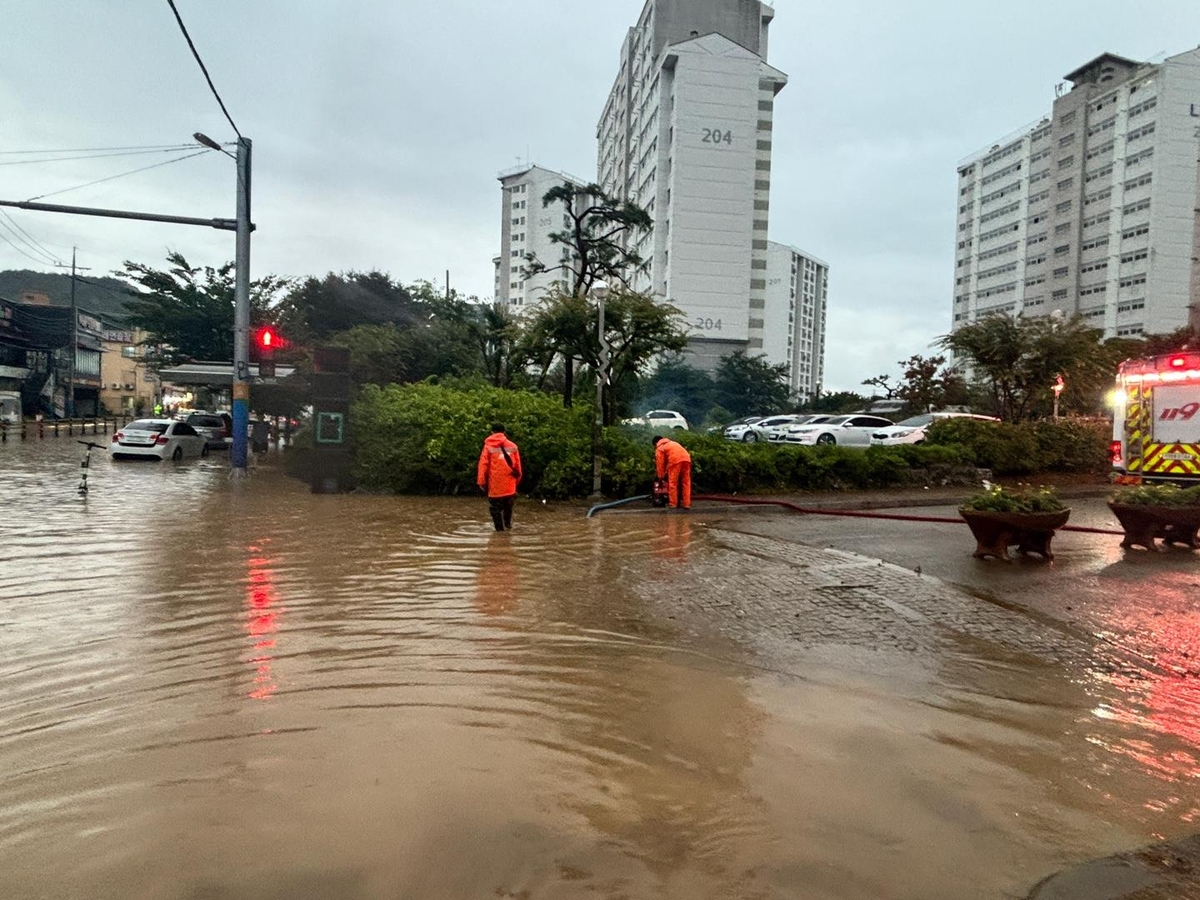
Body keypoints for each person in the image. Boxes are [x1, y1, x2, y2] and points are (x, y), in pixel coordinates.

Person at [477, 424, 523, 531]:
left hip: (495, 485)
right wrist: (517, 481)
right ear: (504, 432)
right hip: (510, 484)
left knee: (495, 509)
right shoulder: (513, 446)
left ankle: (499, 532)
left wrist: (481, 482)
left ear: (492, 432)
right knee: (508, 507)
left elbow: (483, 465)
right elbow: (517, 467)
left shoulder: (488, 447)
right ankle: (507, 526)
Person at [652, 435, 692, 510]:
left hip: (675, 461)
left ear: (655, 443)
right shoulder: (673, 443)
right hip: (687, 459)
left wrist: (660, 477)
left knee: (673, 483)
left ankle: (673, 504)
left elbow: (660, 464)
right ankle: (687, 504)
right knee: (686, 483)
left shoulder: (660, 448)